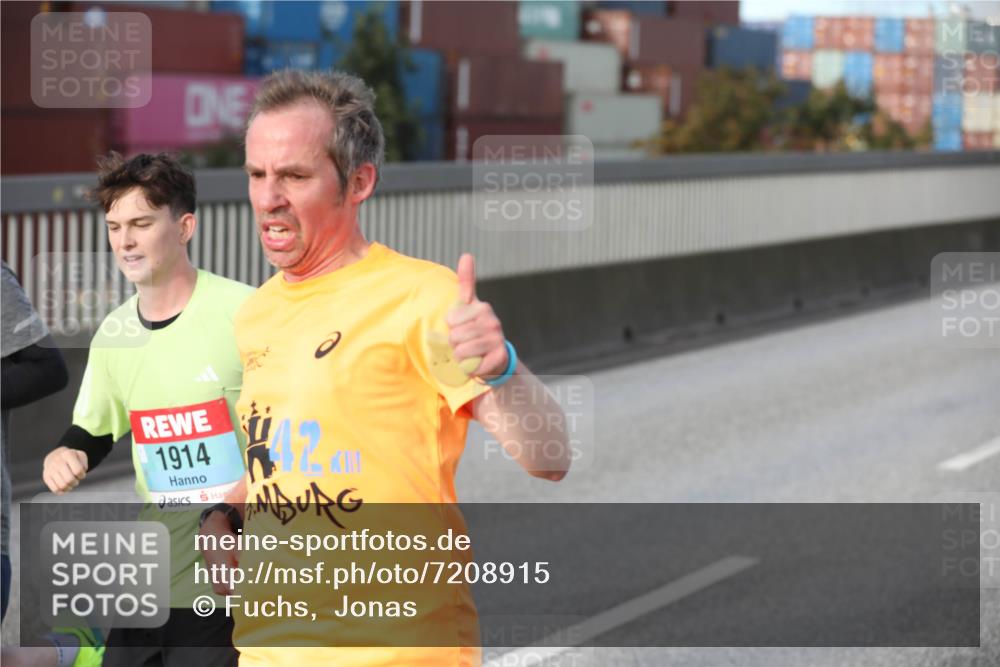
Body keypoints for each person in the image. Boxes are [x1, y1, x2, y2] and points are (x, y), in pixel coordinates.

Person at [198, 70, 571, 667]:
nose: (268, 198)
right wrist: (224, 514)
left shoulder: (422, 299)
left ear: (359, 182)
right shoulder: (257, 314)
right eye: (257, 174)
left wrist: (504, 371)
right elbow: (288, 458)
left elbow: (548, 458)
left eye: (294, 176)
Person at [42, 153, 253, 667]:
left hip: (229, 573)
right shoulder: (114, 333)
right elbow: (93, 428)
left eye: (141, 223)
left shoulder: (247, 313)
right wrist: (66, 453)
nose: (125, 242)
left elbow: (296, 432)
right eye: (115, 227)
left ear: (184, 227)